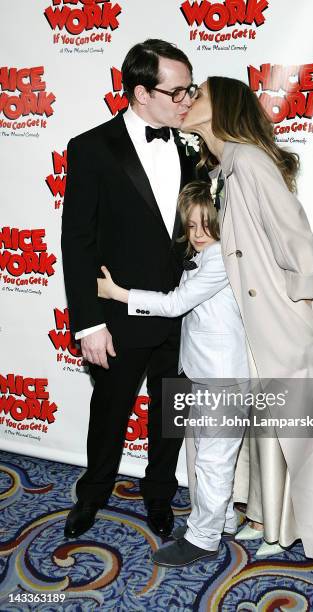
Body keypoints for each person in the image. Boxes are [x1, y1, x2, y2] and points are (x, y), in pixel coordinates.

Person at [179, 77, 313, 564]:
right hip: (252, 324)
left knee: (294, 427)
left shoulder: (250, 162)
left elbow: (294, 234)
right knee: (267, 427)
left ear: (223, 108)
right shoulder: (224, 167)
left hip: (282, 322)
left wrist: (302, 311)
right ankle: (268, 520)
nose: (189, 101)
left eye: (199, 95)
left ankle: (295, 530)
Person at [61, 39, 202, 540]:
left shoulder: (192, 146)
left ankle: (159, 496)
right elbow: (77, 242)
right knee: (110, 414)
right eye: (178, 91)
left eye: (191, 89)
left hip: (186, 312)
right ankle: (92, 495)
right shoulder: (92, 148)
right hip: (117, 318)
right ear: (142, 92)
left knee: (171, 414)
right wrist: (88, 323)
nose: (188, 100)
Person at [97, 180, 250, 567]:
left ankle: (202, 539)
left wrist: (118, 293)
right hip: (205, 372)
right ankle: (223, 520)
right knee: (212, 457)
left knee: (212, 461)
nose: (197, 236)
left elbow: (177, 303)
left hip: (222, 379)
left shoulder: (220, 260)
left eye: (206, 226)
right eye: (191, 227)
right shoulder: (206, 256)